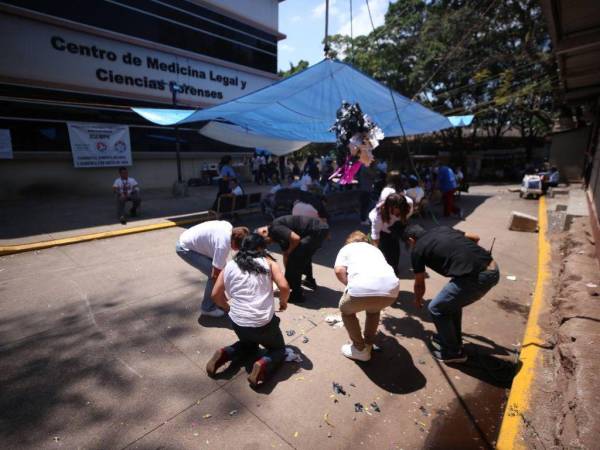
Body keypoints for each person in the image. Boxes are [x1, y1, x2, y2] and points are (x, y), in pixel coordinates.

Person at [403, 224, 500, 363]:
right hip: (492, 267)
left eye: (409, 244)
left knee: (436, 308)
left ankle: (454, 353)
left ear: (412, 240)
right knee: (451, 305)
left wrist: (418, 300)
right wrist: (466, 254)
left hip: (477, 278)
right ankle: (455, 342)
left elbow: (419, 282)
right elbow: (475, 237)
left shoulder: (417, 250)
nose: (410, 247)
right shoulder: (442, 228)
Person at [206, 233, 290, 387]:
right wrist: (283, 303)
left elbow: (215, 295)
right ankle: (263, 364)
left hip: (238, 321)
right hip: (263, 323)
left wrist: (228, 308)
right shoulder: (268, 263)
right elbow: (284, 287)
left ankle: (226, 353)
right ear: (261, 248)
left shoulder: (230, 265)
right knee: (278, 349)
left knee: (248, 345)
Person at [334, 231, 400, 361]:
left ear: (349, 241)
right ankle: (369, 343)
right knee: (373, 311)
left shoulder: (347, 248)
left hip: (361, 288)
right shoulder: (375, 250)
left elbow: (339, 270)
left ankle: (359, 349)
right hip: (392, 290)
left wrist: (349, 284)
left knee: (346, 311)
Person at [176, 221, 249, 318]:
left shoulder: (229, 227)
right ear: (234, 241)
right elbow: (216, 276)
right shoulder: (222, 246)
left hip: (191, 239)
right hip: (185, 248)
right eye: (237, 248)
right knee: (213, 274)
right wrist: (227, 306)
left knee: (221, 271)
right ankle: (208, 308)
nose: (236, 250)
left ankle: (217, 301)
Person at [257, 215, 329, 304]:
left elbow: (295, 239)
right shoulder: (277, 236)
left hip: (317, 229)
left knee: (296, 259)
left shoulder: (275, 228)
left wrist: (290, 255)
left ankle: (297, 295)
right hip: (317, 229)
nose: (268, 243)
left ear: (264, 232)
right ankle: (309, 281)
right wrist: (287, 274)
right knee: (301, 255)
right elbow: (285, 254)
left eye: (265, 241)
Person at [369, 193, 412, 274]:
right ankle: (384, 270)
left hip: (395, 226)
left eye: (401, 207)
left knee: (395, 249)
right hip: (382, 230)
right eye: (397, 208)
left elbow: (407, 215)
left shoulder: (408, 204)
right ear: (389, 207)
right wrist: (375, 250)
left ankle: (394, 268)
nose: (400, 209)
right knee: (384, 249)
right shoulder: (378, 216)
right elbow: (375, 234)